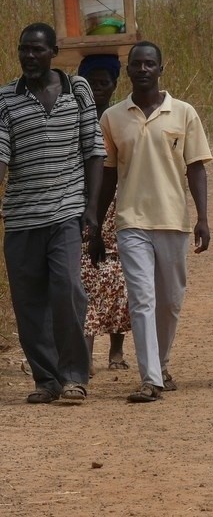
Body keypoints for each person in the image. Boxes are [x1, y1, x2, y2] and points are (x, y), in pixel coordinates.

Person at [91, 41, 212, 402]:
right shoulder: (112, 117)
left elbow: (196, 168)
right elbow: (108, 176)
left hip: (174, 220)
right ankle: (151, 380)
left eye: (149, 64)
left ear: (161, 68)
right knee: (142, 299)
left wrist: (204, 218)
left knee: (170, 300)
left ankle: (160, 363)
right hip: (131, 221)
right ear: (127, 71)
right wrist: (95, 224)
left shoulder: (184, 113)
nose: (143, 69)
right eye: (136, 65)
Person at [0, 22, 105, 403]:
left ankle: (75, 375)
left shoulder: (78, 90)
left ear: (53, 52)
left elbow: (93, 150)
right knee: (29, 303)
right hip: (22, 217)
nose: (29, 56)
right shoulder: (6, 99)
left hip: (66, 213)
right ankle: (47, 381)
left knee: (67, 291)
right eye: (23, 49)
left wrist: (91, 210)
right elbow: (1, 154)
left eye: (36, 49)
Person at [77, 54, 131, 375]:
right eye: (91, 82)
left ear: (114, 85)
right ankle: (86, 355)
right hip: (83, 205)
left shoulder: (118, 118)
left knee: (117, 277)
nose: (98, 88)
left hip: (116, 205)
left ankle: (116, 349)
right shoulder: (75, 116)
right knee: (85, 275)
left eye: (104, 83)